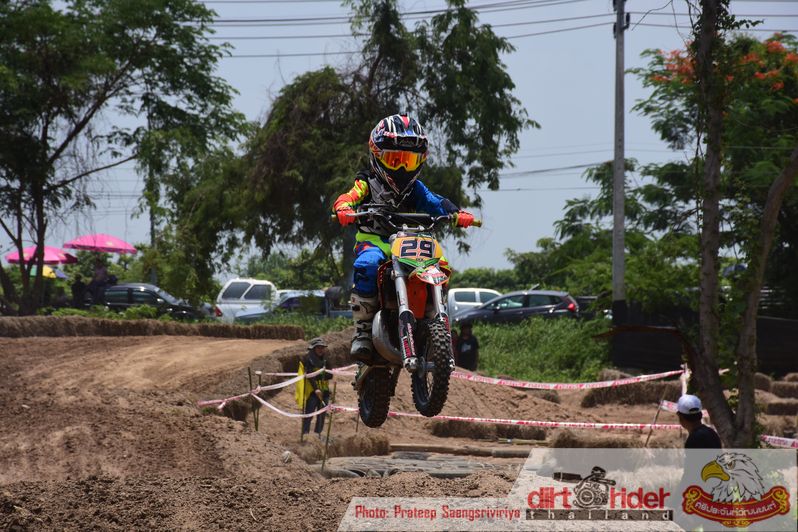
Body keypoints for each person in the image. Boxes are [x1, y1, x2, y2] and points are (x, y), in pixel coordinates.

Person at [333, 113, 475, 365]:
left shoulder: (415, 188)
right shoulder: (367, 182)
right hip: (375, 240)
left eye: (408, 161)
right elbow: (350, 196)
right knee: (368, 264)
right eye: (395, 160)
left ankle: (434, 317)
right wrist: (343, 208)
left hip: (410, 240)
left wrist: (456, 213)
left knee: (440, 263)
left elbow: (434, 201)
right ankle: (363, 331)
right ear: (377, 156)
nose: (401, 168)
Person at [299, 337, 333, 438]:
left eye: (322, 348)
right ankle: (305, 434)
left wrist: (319, 375)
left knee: (321, 415)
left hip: (325, 391)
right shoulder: (308, 360)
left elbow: (330, 375)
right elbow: (309, 376)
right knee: (308, 414)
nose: (321, 350)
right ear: (313, 348)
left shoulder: (326, 360)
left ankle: (317, 434)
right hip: (312, 392)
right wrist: (316, 389)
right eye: (318, 347)